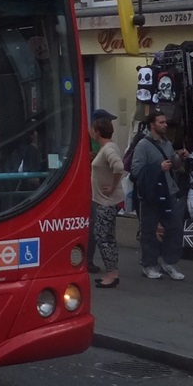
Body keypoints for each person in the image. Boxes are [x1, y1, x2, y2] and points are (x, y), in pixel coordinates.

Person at [130, 110, 187, 280]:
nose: (165, 125)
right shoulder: (143, 145)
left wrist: (180, 158)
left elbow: (173, 164)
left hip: (169, 192)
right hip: (151, 194)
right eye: (161, 122)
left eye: (165, 122)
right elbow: (136, 170)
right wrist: (158, 168)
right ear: (152, 125)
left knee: (175, 228)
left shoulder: (167, 143)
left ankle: (169, 262)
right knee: (149, 230)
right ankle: (149, 265)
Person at [89, 113, 125, 288]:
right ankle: (113, 272)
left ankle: (110, 274)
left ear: (97, 132)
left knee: (103, 237)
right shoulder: (109, 147)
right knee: (109, 237)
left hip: (105, 201)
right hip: (107, 200)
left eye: (93, 128)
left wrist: (112, 186)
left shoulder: (108, 149)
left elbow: (118, 166)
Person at [86, 107, 117, 272]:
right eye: (107, 122)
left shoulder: (104, 142)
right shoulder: (85, 139)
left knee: (98, 226)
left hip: (99, 188)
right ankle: (87, 260)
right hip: (89, 188)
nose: (110, 125)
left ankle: (90, 260)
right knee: (93, 225)